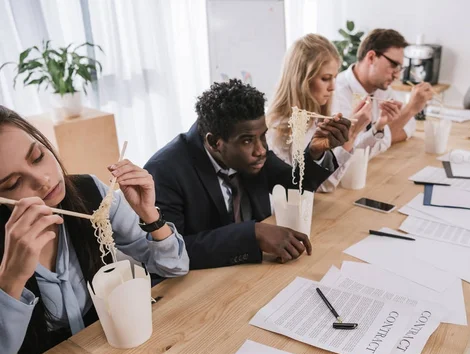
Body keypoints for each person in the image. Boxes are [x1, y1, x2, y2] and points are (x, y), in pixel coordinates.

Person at [0, 106, 189, 354]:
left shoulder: (90, 193)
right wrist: (10, 281)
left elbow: (175, 268)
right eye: (14, 183)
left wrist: (150, 215)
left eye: (38, 156)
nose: (42, 180)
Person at [145, 79, 351, 269]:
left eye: (263, 136)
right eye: (247, 141)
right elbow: (172, 250)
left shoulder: (252, 149)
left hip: (256, 270)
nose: (261, 150)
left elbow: (294, 188)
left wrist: (316, 151)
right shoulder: (164, 172)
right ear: (214, 142)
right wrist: (252, 234)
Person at [267, 33, 372, 192]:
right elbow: (322, 186)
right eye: (325, 78)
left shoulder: (316, 117)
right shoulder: (280, 128)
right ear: (302, 79)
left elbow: (325, 182)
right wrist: (352, 134)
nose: (333, 87)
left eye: (334, 78)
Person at [332, 28, 434, 159]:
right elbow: (349, 153)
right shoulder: (336, 92)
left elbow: (409, 125)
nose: (397, 75)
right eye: (393, 65)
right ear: (371, 57)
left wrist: (380, 139)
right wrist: (410, 109)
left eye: (400, 68)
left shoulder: (380, 88)